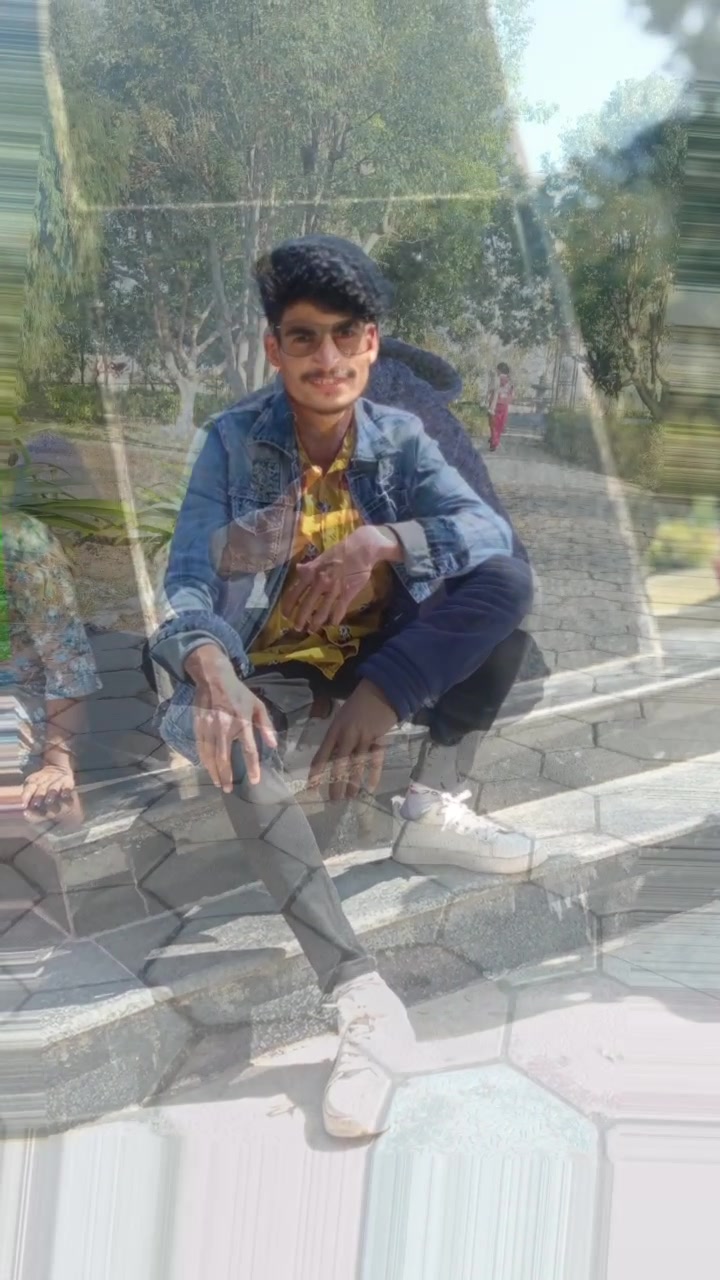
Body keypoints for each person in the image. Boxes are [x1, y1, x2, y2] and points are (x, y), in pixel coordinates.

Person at [149, 234, 539, 1139]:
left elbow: (485, 532)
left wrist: (382, 544)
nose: (325, 358)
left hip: (368, 657)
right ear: (274, 348)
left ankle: (429, 802)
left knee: (504, 591)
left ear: (371, 343)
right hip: (268, 663)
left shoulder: (400, 437)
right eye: (303, 337)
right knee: (229, 733)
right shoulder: (233, 441)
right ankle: (360, 994)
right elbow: (187, 583)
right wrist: (213, 670)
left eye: (344, 335)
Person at [1, 511, 101, 824]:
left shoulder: (19, 540)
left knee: (45, 805)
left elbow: (67, 661)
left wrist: (57, 762)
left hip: (22, 694)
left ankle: (68, 831)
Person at [487, 361, 513, 452]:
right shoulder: (510, 381)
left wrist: (488, 395)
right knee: (500, 425)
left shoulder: (496, 378)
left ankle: (493, 442)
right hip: (504, 405)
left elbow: (490, 389)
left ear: (499, 370)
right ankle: (495, 440)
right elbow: (511, 393)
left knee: (493, 424)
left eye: (497, 369)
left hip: (495, 404)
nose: (496, 371)